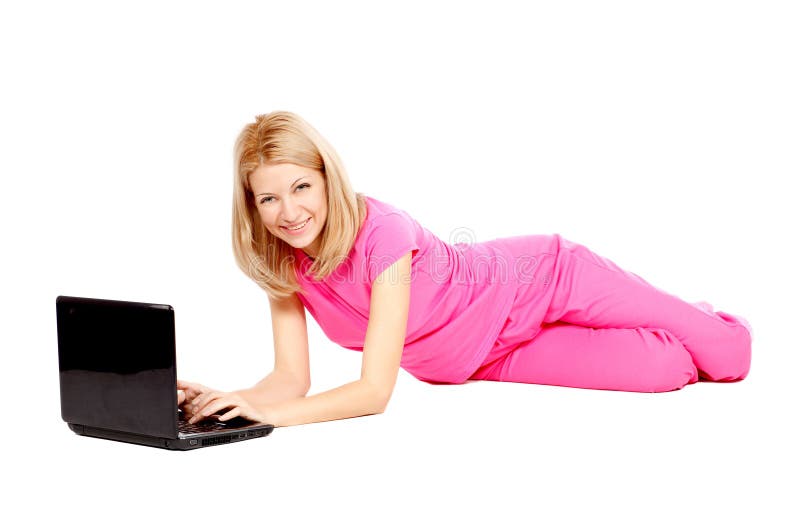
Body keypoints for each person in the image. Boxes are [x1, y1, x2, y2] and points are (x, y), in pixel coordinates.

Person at [177, 111, 753, 428]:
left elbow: (374, 392)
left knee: (729, 357)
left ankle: (694, 316)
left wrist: (274, 416)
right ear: (250, 204)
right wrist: (233, 402)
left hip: (541, 280)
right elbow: (290, 379)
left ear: (328, 177)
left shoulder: (386, 237)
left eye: (301, 186)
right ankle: (670, 332)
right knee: (666, 369)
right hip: (483, 359)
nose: (289, 211)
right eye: (268, 198)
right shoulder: (284, 263)